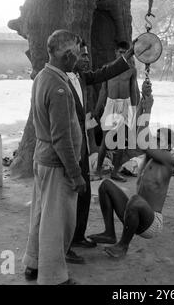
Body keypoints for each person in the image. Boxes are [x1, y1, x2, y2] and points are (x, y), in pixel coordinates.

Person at [22, 30, 134, 285]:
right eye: (78, 53)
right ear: (68, 55)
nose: (81, 59)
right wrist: (75, 175)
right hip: (57, 162)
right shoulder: (59, 86)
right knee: (56, 222)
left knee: (41, 215)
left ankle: (33, 263)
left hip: (43, 158)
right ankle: (53, 278)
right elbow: (61, 138)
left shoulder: (43, 76)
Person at [88, 84, 174, 258]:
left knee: (136, 200)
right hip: (135, 214)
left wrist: (149, 109)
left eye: (158, 138)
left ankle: (123, 246)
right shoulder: (151, 158)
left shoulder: (169, 160)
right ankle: (109, 233)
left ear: (167, 146)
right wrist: (143, 104)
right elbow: (138, 134)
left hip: (151, 224)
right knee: (105, 185)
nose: (154, 139)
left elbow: (142, 141)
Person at [94, 41, 139, 183]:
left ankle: (115, 172)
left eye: (124, 52)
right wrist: (97, 109)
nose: (122, 54)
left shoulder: (131, 70)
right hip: (110, 104)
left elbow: (133, 91)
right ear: (115, 52)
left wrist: (134, 110)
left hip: (124, 105)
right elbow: (103, 90)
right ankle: (97, 170)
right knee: (105, 141)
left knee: (121, 142)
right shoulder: (108, 68)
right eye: (119, 52)